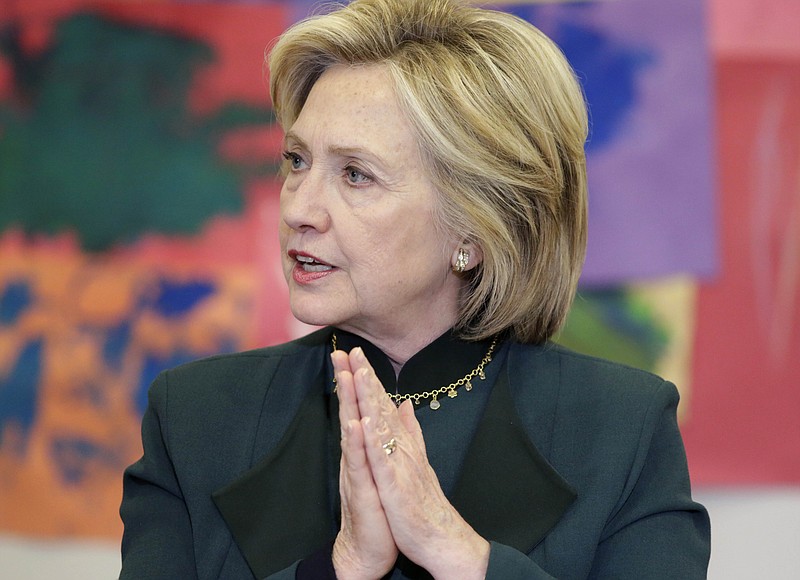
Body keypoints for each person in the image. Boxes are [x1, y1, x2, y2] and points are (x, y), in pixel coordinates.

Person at [119, 0, 711, 578]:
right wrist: (339, 569)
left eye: (355, 174)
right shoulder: (194, 419)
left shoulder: (622, 429)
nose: (299, 207)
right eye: (297, 160)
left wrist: (463, 558)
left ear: (476, 229)